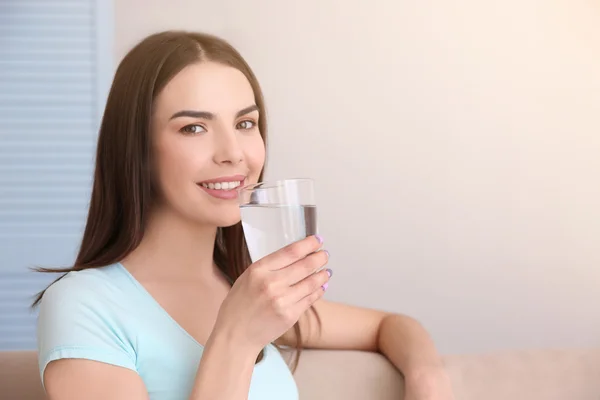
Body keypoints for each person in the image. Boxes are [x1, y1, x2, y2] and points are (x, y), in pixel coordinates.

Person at [34, 31, 454, 400]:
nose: (233, 152)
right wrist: (236, 336)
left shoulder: (242, 287)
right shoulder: (84, 305)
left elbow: (391, 326)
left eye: (246, 123)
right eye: (193, 128)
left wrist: (427, 379)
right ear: (136, 149)